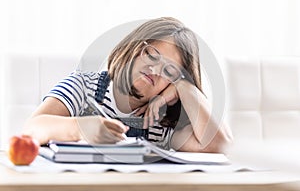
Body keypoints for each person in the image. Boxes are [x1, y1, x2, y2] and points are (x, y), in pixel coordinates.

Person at [23, 17, 232, 152]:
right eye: (152, 55)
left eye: (170, 72)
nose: (156, 70)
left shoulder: (161, 125)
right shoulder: (84, 86)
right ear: (134, 47)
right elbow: (31, 128)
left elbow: (219, 145)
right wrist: (80, 128)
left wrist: (185, 87)